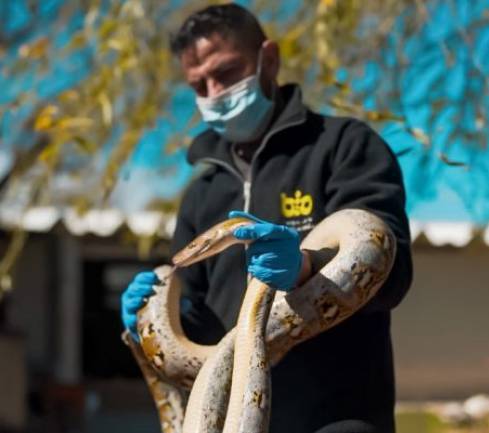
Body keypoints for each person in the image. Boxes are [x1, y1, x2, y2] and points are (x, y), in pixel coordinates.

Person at [121, 4, 412, 433]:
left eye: (227, 72)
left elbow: (393, 273)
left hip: (337, 418)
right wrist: (158, 318)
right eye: (199, 85)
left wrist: (306, 267)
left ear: (268, 60)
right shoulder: (201, 195)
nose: (215, 92)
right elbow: (201, 318)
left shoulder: (344, 147)